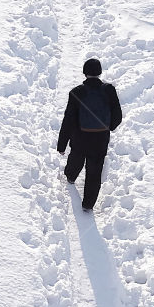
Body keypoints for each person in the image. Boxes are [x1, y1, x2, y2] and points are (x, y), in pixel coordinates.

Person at [57, 57, 122, 211]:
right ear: (99, 72)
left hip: (80, 137)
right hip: (100, 138)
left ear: (85, 73)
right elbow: (117, 115)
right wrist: (108, 127)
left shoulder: (76, 92)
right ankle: (88, 204)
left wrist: (62, 145)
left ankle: (70, 177)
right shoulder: (109, 90)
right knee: (95, 170)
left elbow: (68, 120)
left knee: (76, 158)